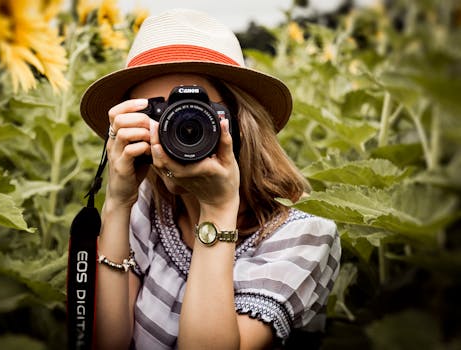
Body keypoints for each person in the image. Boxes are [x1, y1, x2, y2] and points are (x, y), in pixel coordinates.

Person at [80, 8, 340, 350]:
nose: (177, 128)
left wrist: (218, 208)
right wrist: (117, 201)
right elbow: (107, 344)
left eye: (195, 111)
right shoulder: (149, 202)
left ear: (239, 121)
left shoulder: (306, 235)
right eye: (157, 112)